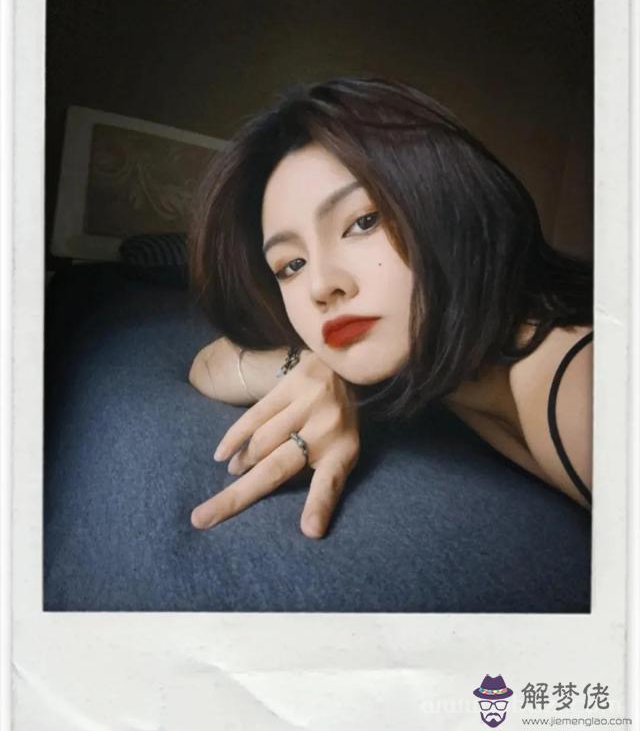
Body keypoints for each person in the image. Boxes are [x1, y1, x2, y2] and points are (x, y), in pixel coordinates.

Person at [186, 76, 593, 539]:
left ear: (448, 204)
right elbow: (208, 365)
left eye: (363, 222)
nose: (321, 286)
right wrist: (310, 367)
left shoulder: (582, 388)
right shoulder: (431, 358)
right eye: (291, 265)